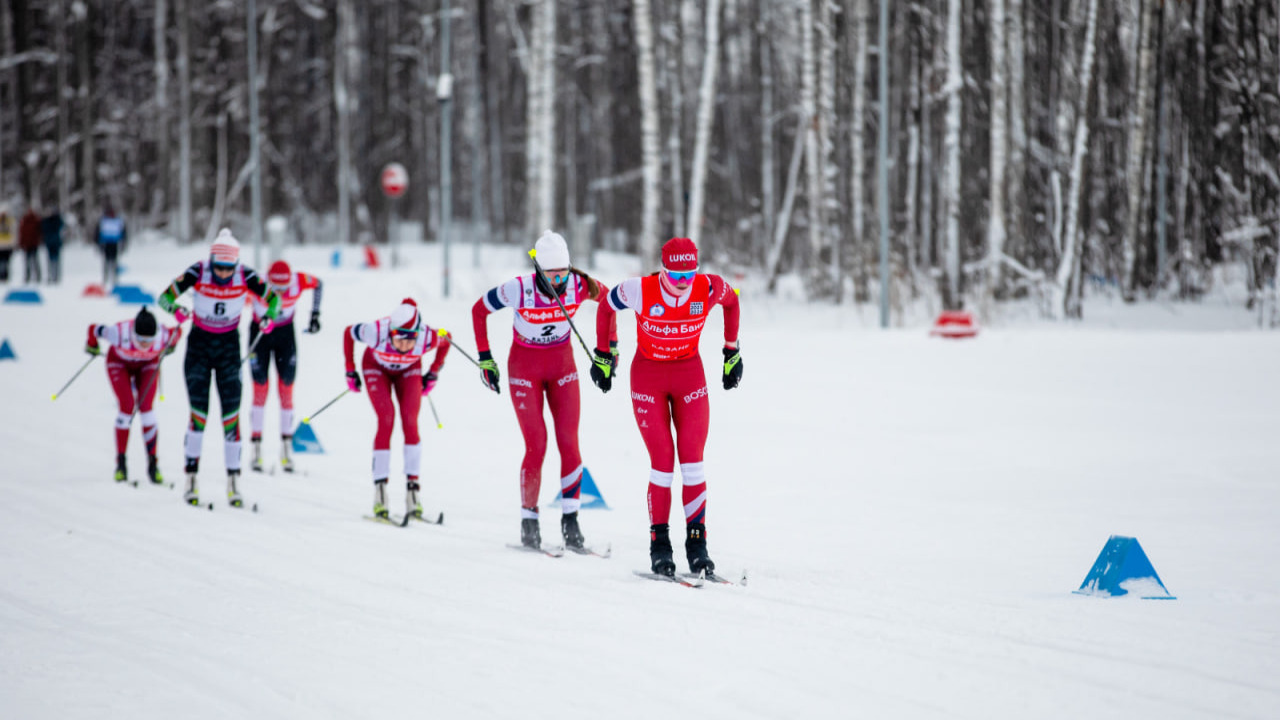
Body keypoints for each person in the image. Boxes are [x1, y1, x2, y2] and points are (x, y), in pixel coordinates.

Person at [590, 237, 743, 577]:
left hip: (689, 376)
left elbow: (733, 304)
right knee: (662, 463)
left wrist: (731, 352)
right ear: (663, 270)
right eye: (676, 276)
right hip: (648, 378)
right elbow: (605, 306)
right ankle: (659, 546)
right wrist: (605, 353)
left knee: (693, 463)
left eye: (690, 274)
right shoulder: (640, 289)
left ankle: (697, 545)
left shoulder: (708, 288)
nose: (683, 283)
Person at [472, 230, 616, 550]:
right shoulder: (518, 289)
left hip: (562, 367)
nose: (559, 281)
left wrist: (610, 351)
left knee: (569, 441)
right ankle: (529, 520)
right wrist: (485, 359)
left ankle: (571, 521)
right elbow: (478, 310)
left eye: (563, 273)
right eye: (551, 275)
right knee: (536, 444)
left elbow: (610, 302)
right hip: (525, 369)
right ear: (538, 270)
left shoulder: (579, 286)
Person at [157, 229, 280, 507]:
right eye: (219, 268)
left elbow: (274, 299)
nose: (223, 274)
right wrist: (176, 311)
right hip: (199, 348)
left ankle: (234, 483)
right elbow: (164, 298)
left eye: (228, 269)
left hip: (228, 349)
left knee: (231, 418)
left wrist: (269, 317)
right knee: (199, 415)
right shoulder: (198, 272)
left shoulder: (245, 275)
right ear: (212, 261)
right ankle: (191, 478)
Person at [344, 298, 451, 520]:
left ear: (417, 334)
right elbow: (348, 332)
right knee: (386, 419)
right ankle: (380, 493)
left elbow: (447, 339)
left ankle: (413, 494)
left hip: (408, 371)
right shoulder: (375, 331)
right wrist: (350, 369)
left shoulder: (427, 337)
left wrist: (433, 372)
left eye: (408, 341)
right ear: (390, 332)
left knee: (410, 421)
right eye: (397, 339)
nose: (402, 346)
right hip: (375, 367)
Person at [85, 307, 183, 484]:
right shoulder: (117, 332)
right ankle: (121, 464)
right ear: (133, 333)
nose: (145, 344)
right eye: (140, 339)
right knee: (127, 406)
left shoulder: (163, 335)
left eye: (149, 340)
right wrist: (92, 344)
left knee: (146, 408)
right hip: (119, 364)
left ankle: (153, 465)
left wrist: (172, 346)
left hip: (147, 365)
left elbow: (178, 331)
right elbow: (93, 328)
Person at [247, 259, 323, 473]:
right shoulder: (258, 281)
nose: (279, 293)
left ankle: (286, 448)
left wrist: (315, 314)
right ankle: (256, 447)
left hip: (285, 335)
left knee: (286, 388)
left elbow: (319, 284)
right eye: (275, 288)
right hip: (260, 333)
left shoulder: (298, 280)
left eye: (283, 288)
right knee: (260, 388)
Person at [95, 205, 127, 288]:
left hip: (111, 244)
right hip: (108, 244)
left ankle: (111, 279)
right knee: (109, 262)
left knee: (111, 262)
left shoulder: (107, 221)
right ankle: (108, 279)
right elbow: (97, 233)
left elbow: (97, 233)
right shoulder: (113, 221)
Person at [40, 207, 64, 284]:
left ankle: (55, 276)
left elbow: (61, 224)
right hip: (51, 243)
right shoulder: (48, 221)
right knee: (52, 260)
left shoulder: (55, 221)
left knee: (55, 260)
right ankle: (52, 276)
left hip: (53, 243)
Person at [19, 206, 41, 284]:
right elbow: (22, 233)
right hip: (27, 244)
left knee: (34, 261)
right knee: (28, 262)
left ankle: (38, 276)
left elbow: (39, 232)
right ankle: (28, 276)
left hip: (33, 244)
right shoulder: (25, 220)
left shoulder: (36, 220)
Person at [0, 205, 14, 283]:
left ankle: (5, 276)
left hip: (7, 246)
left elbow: (12, 233)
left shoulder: (9, 222)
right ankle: (3, 277)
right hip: (2, 246)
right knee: (3, 263)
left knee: (5, 263)